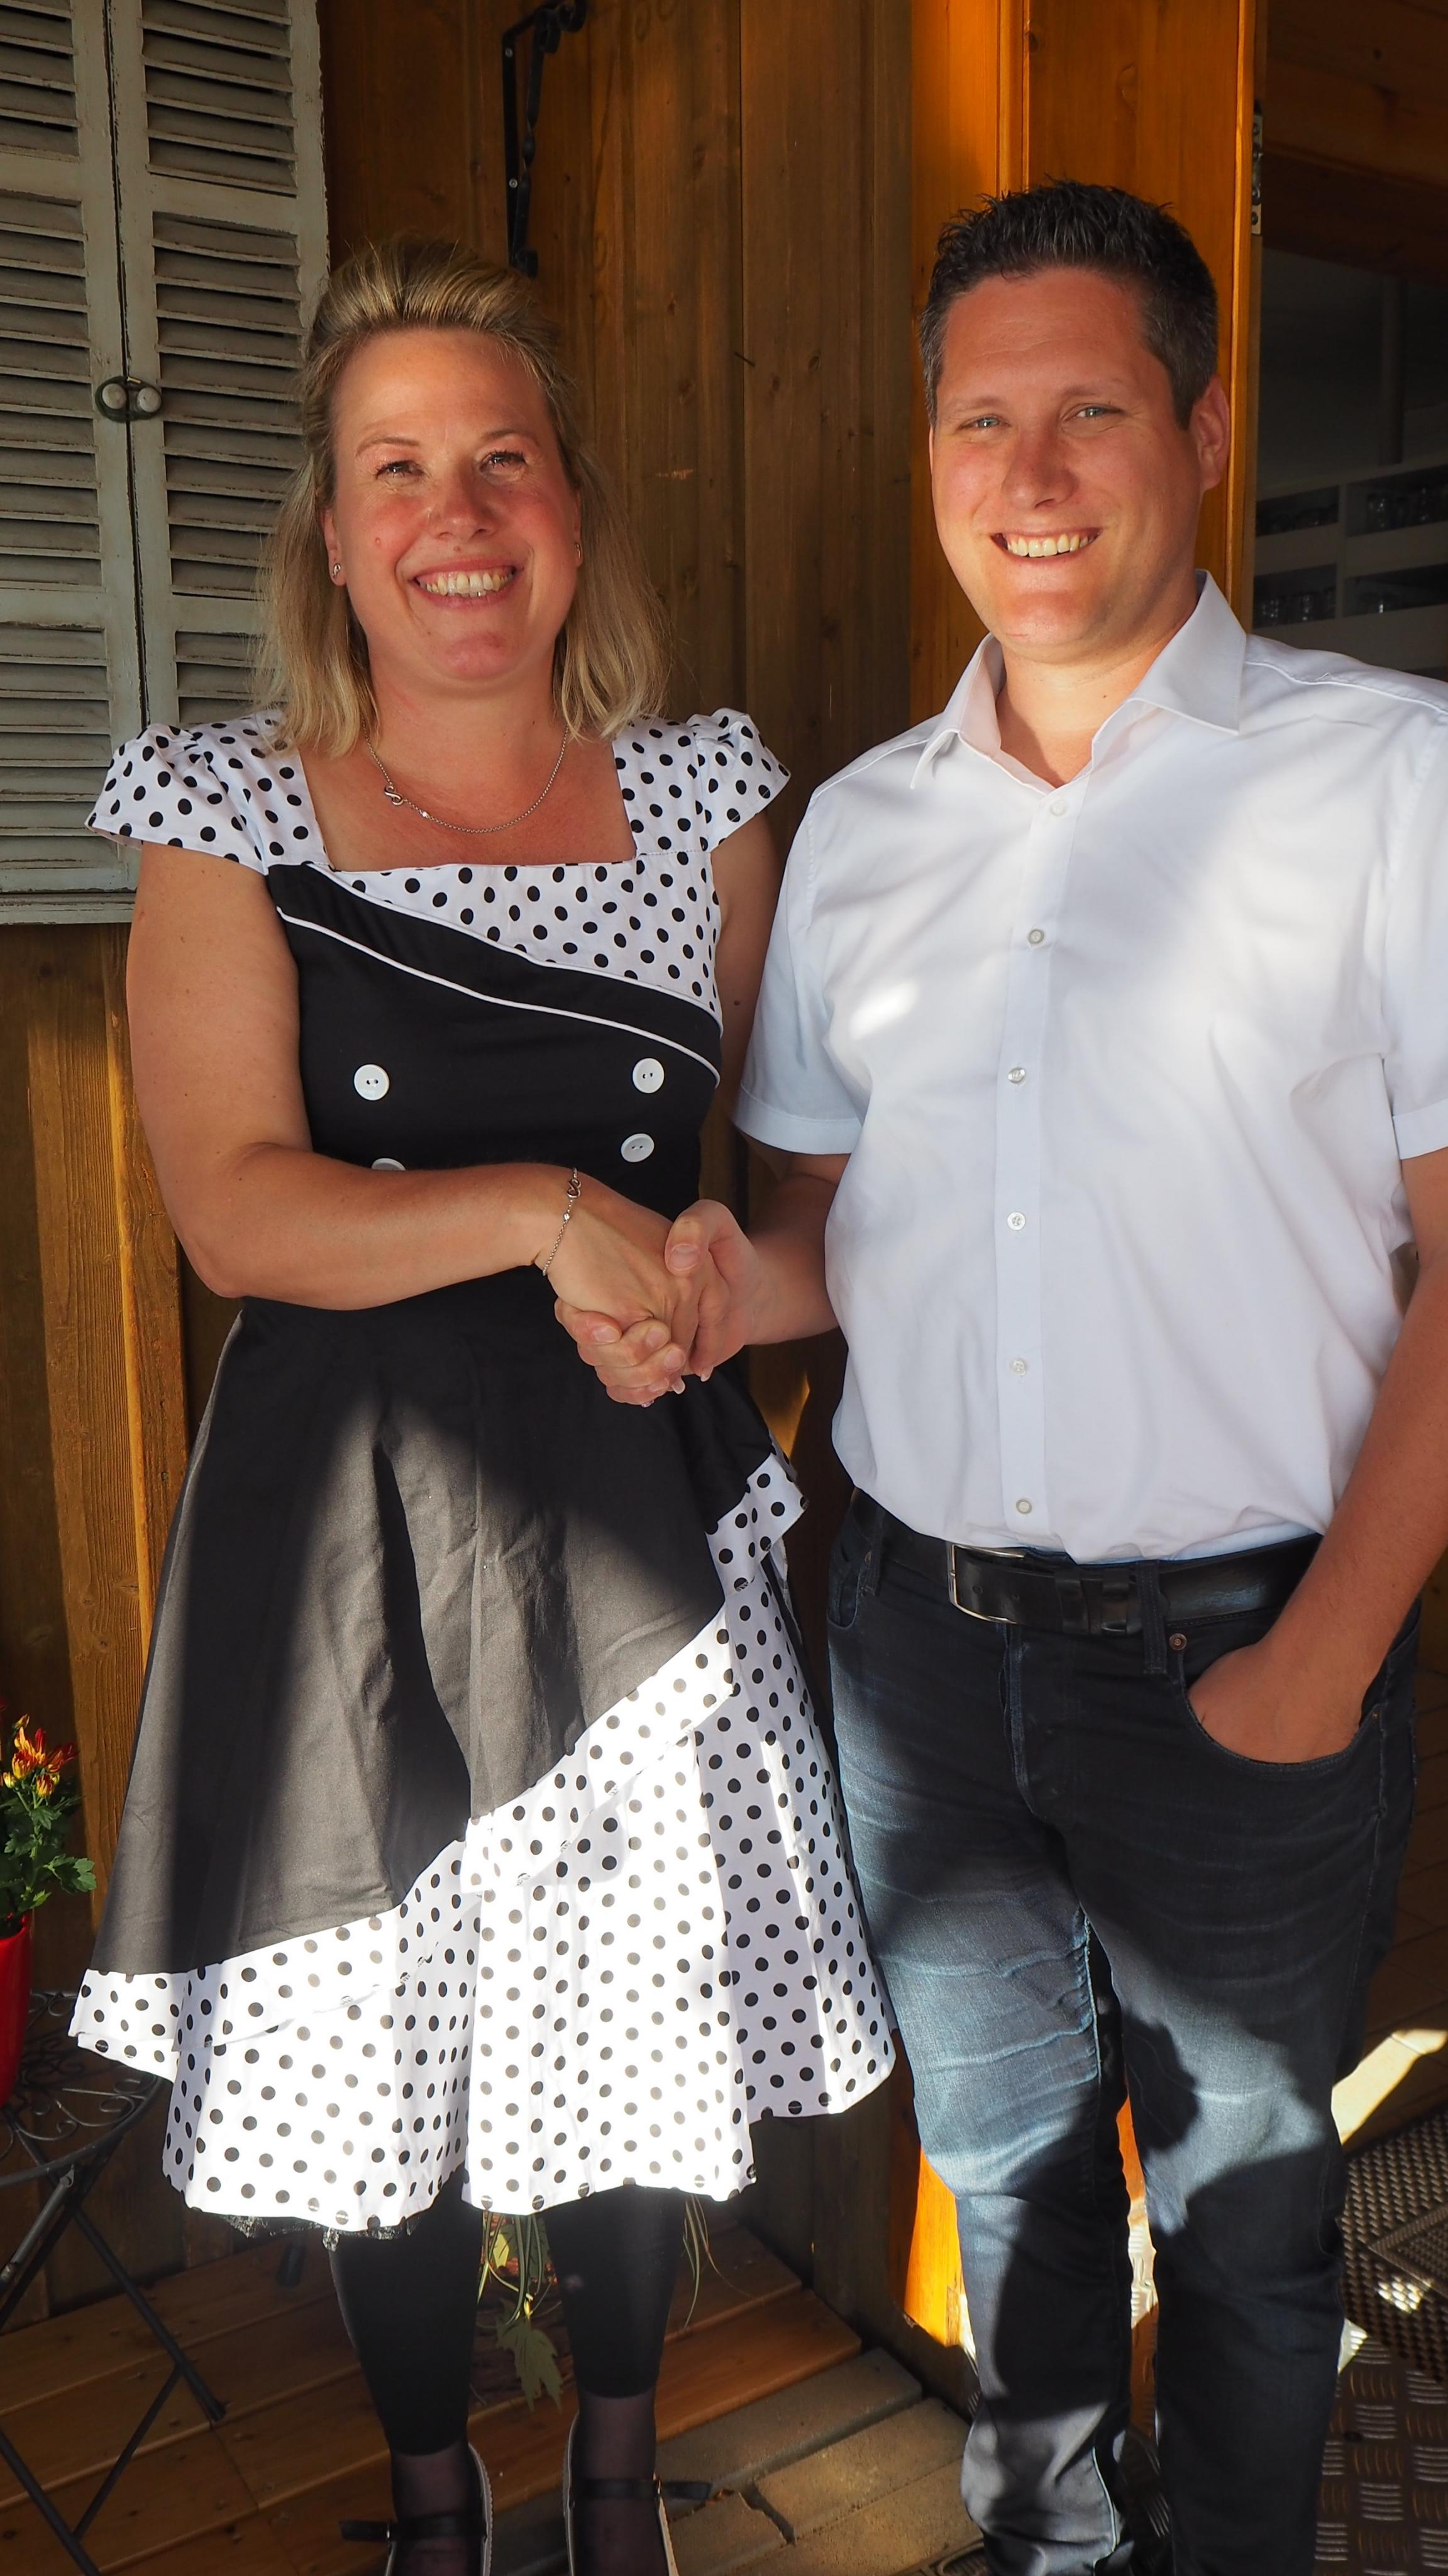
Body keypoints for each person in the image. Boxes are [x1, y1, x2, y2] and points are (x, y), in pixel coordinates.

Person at [560, 180, 1448, 2575]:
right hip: (921, 1658)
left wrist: (1325, 1661)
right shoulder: (861, 830)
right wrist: (718, 1288)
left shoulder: (1394, 782)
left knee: (1250, 2231)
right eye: (980, 421)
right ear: (929, 450)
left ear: (1206, 431)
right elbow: (837, 1234)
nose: (1030, 477)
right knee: (1008, 2189)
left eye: (1089, 412)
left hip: (1245, 1650)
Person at [70, 239, 891, 2576]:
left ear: (572, 509)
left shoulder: (705, 803)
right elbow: (237, 1212)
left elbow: (819, 1213)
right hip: (345, 1536)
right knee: (385, 2071)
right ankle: (437, 2501)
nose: (457, 515)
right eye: (397, 470)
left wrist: (726, 1284)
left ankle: (615, 2484)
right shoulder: (231, 806)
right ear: (333, 539)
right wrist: (548, 1209)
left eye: (501, 459)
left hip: (639, 1516)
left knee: (636, 2044)